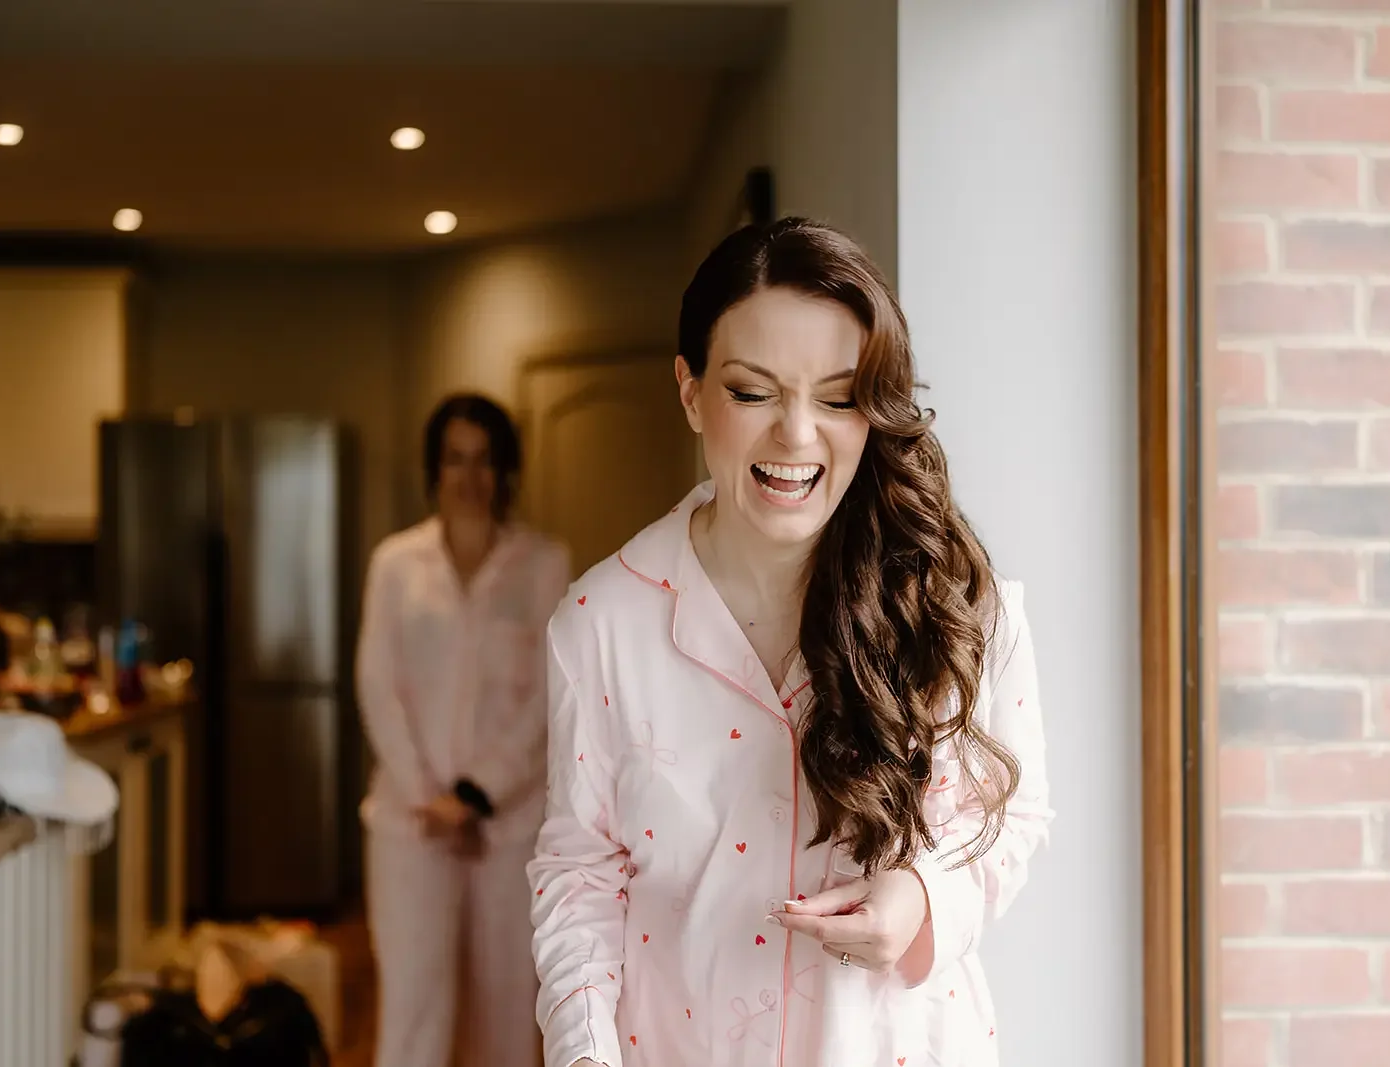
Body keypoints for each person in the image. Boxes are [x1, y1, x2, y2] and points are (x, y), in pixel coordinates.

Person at [528, 218, 1053, 1067]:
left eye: (838, 397)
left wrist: (924, 899)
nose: (797, 435)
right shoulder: (600, 625)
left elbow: (1014, 814)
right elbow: (580, 877)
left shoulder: (958, 601)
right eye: (752, 391)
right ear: (691, 390)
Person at [357, 393, 570, 1067]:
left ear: (505, 470)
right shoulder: (396, 564)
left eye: (484, 460)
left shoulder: (543, 564)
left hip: (509, 829)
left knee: (506, 1008)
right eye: (455, 459)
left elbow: (547, 691)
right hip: (411, 824)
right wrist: (433, 798)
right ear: (434, 469)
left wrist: (477, 794)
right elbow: (378, 683)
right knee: (413, 1003)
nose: (469, 476)